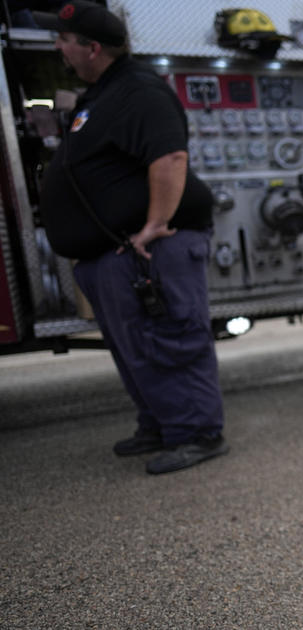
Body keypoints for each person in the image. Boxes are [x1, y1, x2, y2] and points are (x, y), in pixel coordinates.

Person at [34, 1, 228, 474]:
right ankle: (161, 424)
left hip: (152, 246)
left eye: (64, 39)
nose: (58, 47)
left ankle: (197, 432)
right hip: (114, 254)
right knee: (134, 348)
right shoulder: (102, 93)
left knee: (171, 341)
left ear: (92, 48)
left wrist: (155, 224)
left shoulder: (139, 89)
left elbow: (170, 158)